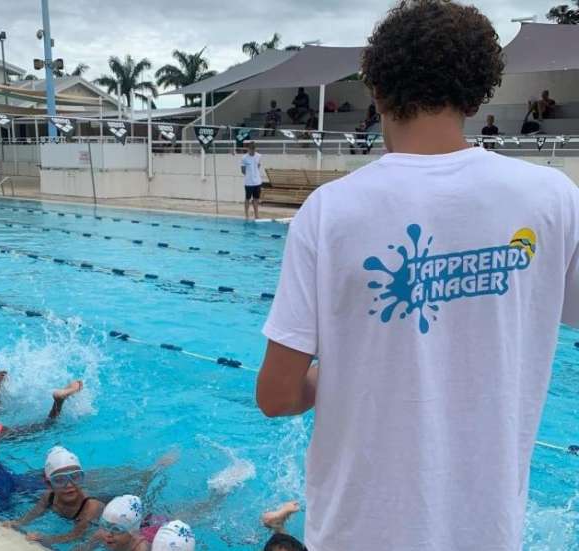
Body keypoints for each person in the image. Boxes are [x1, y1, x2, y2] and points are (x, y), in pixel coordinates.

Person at [256, 2, 579, 551]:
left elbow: (278, 394)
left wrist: (344, 368)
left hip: (355, 531)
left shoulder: (329, 211)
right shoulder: (554, 198)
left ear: (377, 89)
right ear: (478, 95)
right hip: (487, 530)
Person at [6, 446, 105, 545]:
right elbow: (30, 516)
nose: (70, 485)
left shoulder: (91, 507)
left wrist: (47, 539)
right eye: (60, 480)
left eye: (75, 477)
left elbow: (76, 536)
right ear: (49, 484)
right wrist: (16, 523)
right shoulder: (49, 497)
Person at [241, 141, 262, 220]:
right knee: (247, 198)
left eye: (253, 149)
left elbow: (258, 166)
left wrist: (255, 174)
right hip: (248, 182)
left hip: (257, 182)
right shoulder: (244, 158)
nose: (252, 151)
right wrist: (250, 175)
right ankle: (246, 215)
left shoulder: (259, 156)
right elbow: (243, 170)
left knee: (256, 199)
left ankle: (256, 214)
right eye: (251, 149)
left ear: (255, 149)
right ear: (248, 149)